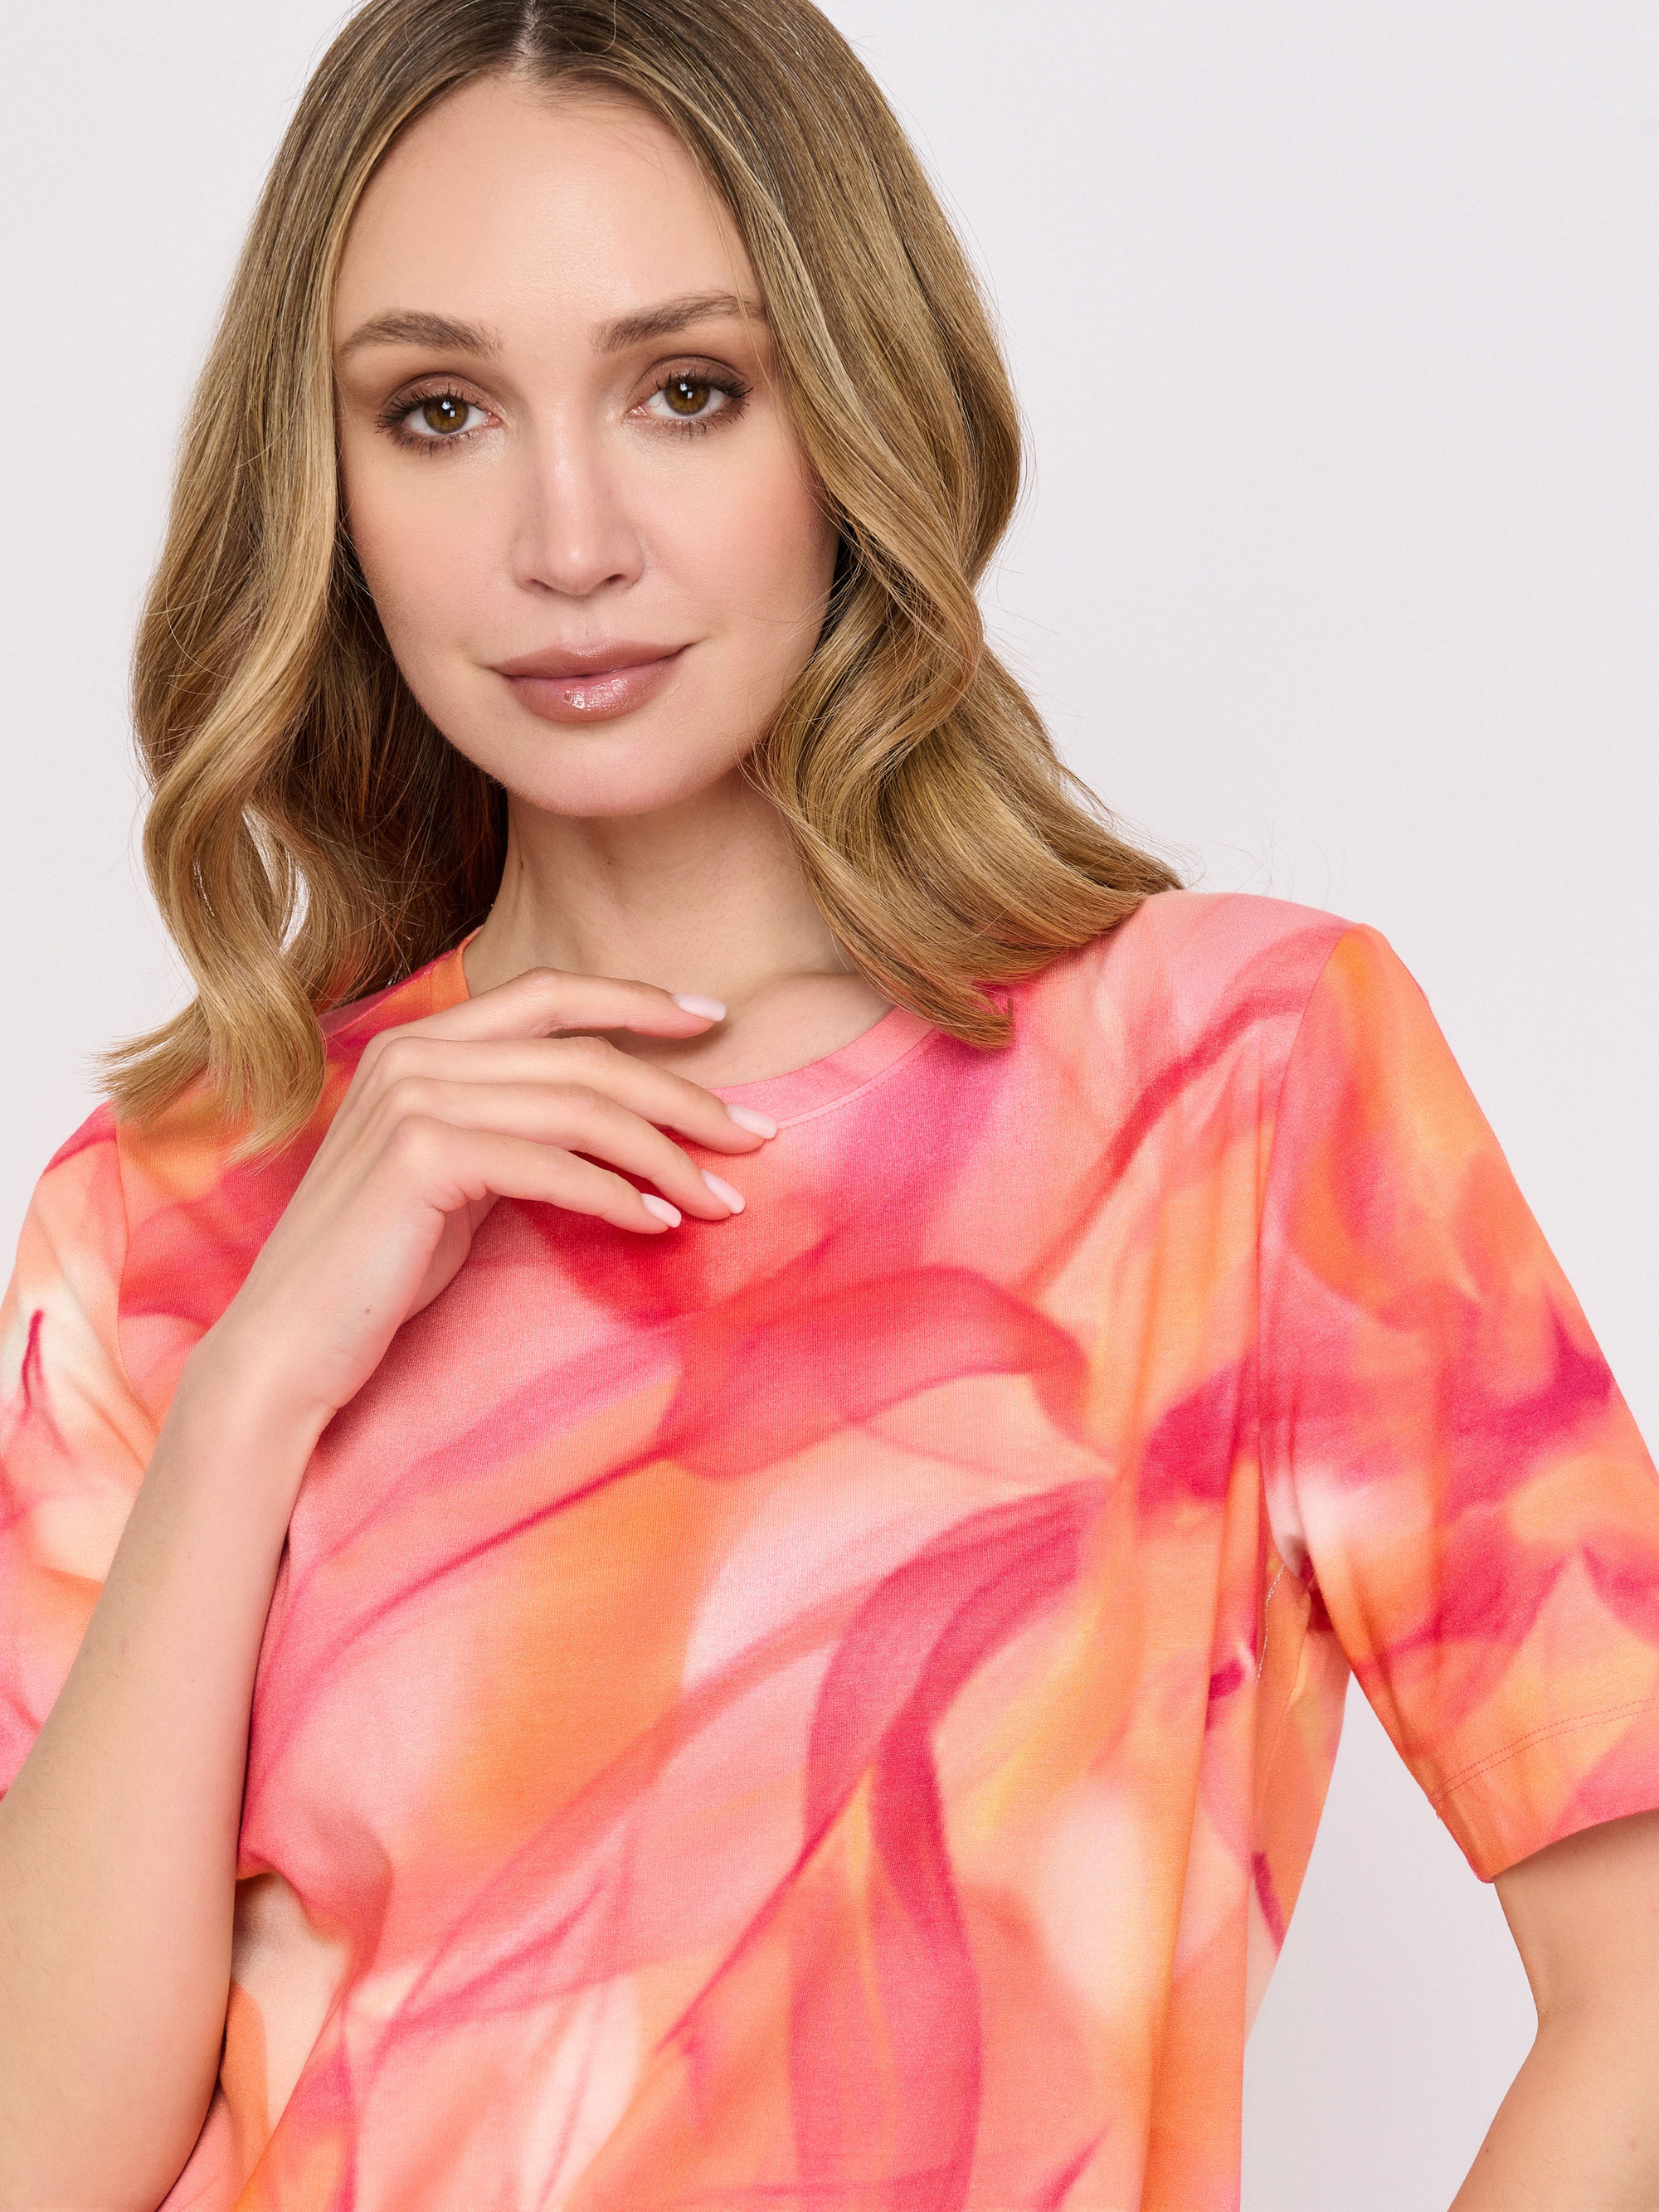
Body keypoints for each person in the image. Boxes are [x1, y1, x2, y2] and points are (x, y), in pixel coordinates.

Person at [2, 0, 1657, 2205]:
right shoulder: (171, 1219)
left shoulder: (1228, 1082)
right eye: (438, 412)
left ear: (852, 409)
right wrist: (253, 1391)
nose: (567, 538)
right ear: (327, 487)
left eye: (688, 389)